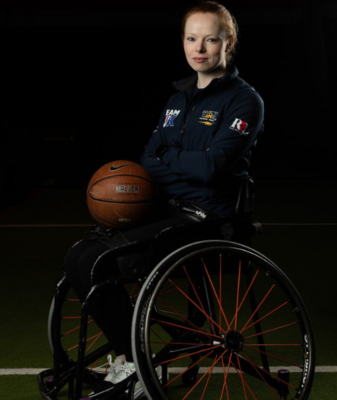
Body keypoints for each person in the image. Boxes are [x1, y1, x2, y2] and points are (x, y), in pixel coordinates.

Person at [63, 2, 264, 396]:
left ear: (229, 41)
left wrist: (168, 158)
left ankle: (134, 368)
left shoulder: (244, 101)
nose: (199, 48)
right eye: (192, 38)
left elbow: (212, 168)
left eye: (210, 39)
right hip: (165, 211)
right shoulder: (177, 99)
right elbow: (145, 159)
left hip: (209, 218)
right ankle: (128, 359)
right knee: (78, 256)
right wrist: (178, 161)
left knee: (104, 261)